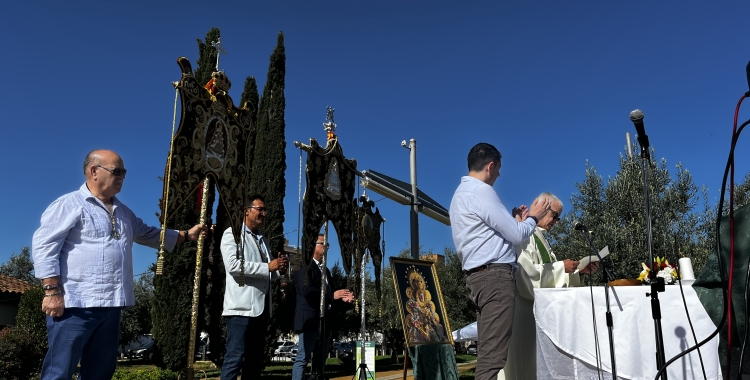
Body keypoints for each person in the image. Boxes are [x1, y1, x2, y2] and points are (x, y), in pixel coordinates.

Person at [31, 149, 206, 380]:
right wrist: (52, 291)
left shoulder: (124, 212)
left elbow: (149, 234)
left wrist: (186, 234)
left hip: (111, 305)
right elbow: (44, 246)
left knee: (100, 373)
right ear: (94, 171)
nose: (122, 176)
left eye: (124, 172)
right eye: (117, 171)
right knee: (59, 372)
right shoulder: (69, 204)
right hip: (75, 304)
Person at [449, 142, 550, 380]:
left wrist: (515, 220)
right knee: (493, 358)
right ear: (490, 166)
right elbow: (517, 235)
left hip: (479, 277)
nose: (499, 175)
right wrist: (533, 218)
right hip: (495, 278)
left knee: (488, 350)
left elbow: (491, 235)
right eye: (499, 169)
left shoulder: (460, 195)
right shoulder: (481, 191)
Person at [499, 192, 599, 380]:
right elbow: (526, 274)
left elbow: (550, 277)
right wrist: (562, 267)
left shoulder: (541, 238)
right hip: (523, 311)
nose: (557, 222)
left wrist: (577, 273)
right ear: (543, 207)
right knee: (523, 367)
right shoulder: (522, 232)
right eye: (555, 215)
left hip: (539, 314)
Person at [220, 195, 289, 380]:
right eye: (260, 209)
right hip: (240, 310)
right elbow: (233, 266)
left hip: (261, 309)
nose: (264, 213)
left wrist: (280, 269)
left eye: (265, 210)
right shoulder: (232, 234)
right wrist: (268, 267)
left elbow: (268, 273)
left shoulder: (263, 240)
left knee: (254, 361)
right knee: (235, 359)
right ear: (246, 210)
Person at [292, 234, 354, 380]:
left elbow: (330, 297)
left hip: (324, 322)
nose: (326, 247)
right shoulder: (303, 265)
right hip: (309, 319)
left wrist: (342, 298)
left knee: (320, 358)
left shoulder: (326, 270)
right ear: (313, 245)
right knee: (303, 357)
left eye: (328, 245)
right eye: (323, 244)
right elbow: (306, 290)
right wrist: (332, 295)